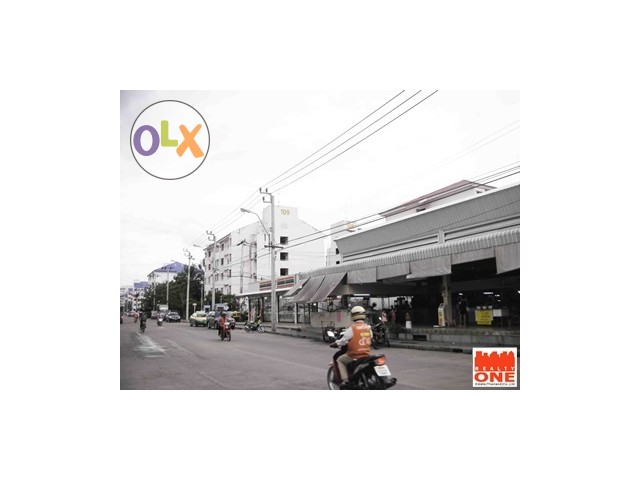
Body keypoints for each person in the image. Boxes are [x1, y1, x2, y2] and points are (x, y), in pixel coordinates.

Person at [330, 306, 373, 387]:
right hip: (367, 355)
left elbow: (343, 340)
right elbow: (370, 337)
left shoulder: (352, 328)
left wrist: (336, 343)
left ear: (353, 316)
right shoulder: (368, 327)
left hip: (354, 355)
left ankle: (345, 381)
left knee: (340, 360)